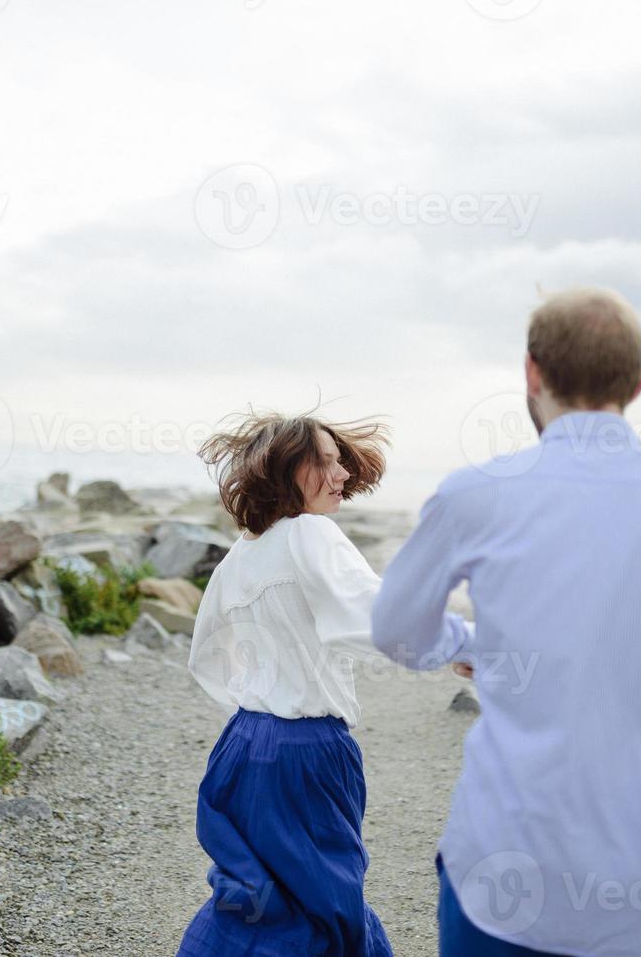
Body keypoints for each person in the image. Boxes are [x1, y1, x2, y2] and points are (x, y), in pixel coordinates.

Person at [372, 288, 641, 957]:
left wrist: (467, 645)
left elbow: (397, 628)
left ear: (531, 372)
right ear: (637, 384)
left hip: (504, 875)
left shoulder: (476, 493)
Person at [179, 410, 443, 957]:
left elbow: (205, 655)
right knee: (327, 901)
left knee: (254, 896)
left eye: (339, 461)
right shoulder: (312, 532)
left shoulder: (243, 552)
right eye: (323, 462)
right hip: (306, 751)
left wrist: (263, 696)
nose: (342, 473)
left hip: (241, 746)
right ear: (281, 471)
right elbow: (381, 618)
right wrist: (459, 646)